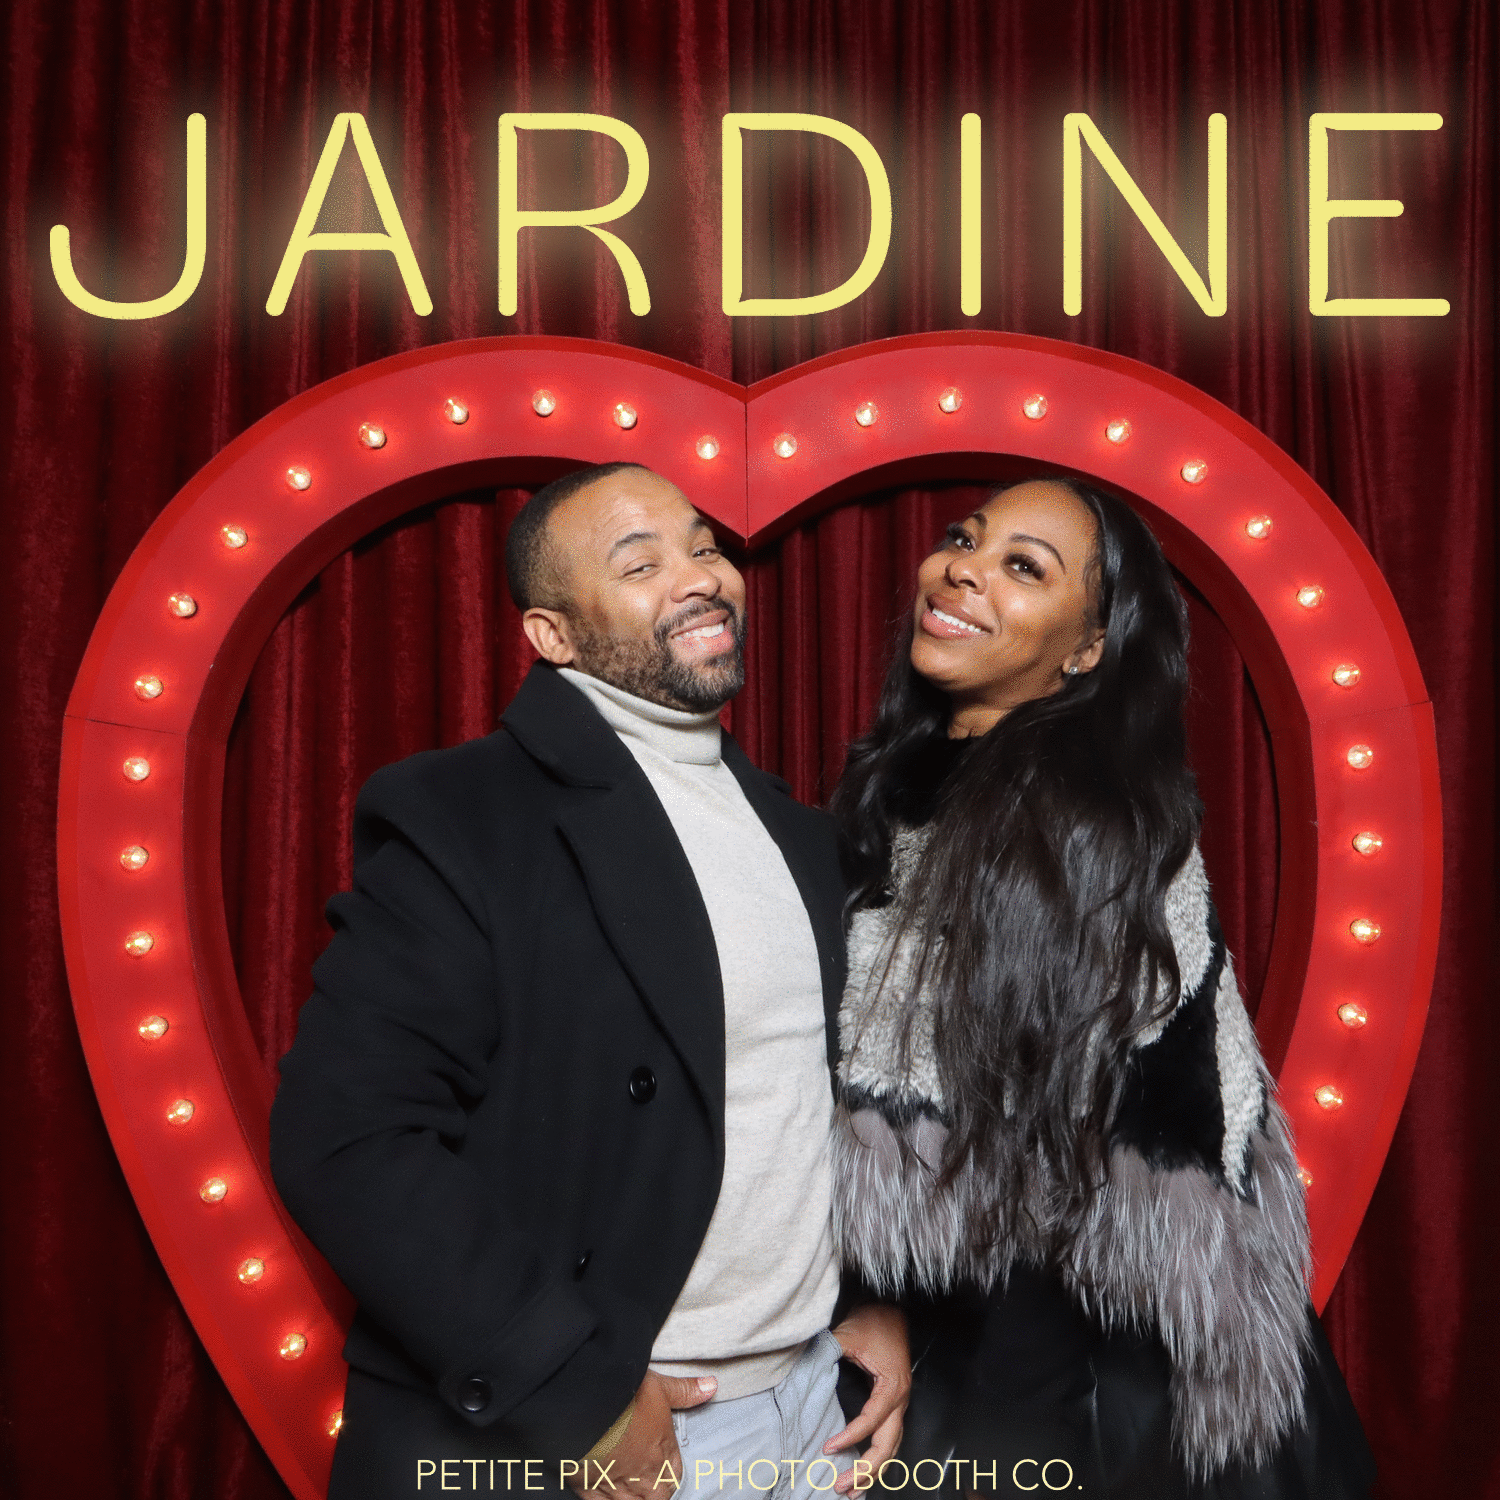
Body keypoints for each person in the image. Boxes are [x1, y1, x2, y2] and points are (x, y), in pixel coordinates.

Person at [270, 462, 909, 1500]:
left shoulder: (801, 834)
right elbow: (347, 1138)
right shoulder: (462, 816)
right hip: (614, 1433)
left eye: (703, 546)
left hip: (811, 1418)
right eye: (639, 563)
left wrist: (876, 1300)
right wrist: (578, 1392)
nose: (698, 576)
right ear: (553, 635)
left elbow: (816, 1109)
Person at [827, 477, 1376, 1498]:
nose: (963, 570)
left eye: (1022, 568)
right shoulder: (904, 788)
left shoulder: (1081, 824)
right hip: (967, 1322)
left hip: (1084, 1364)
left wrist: (881, 1302)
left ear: (1086, 650)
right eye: (964, 540)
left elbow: (1038, 1171)